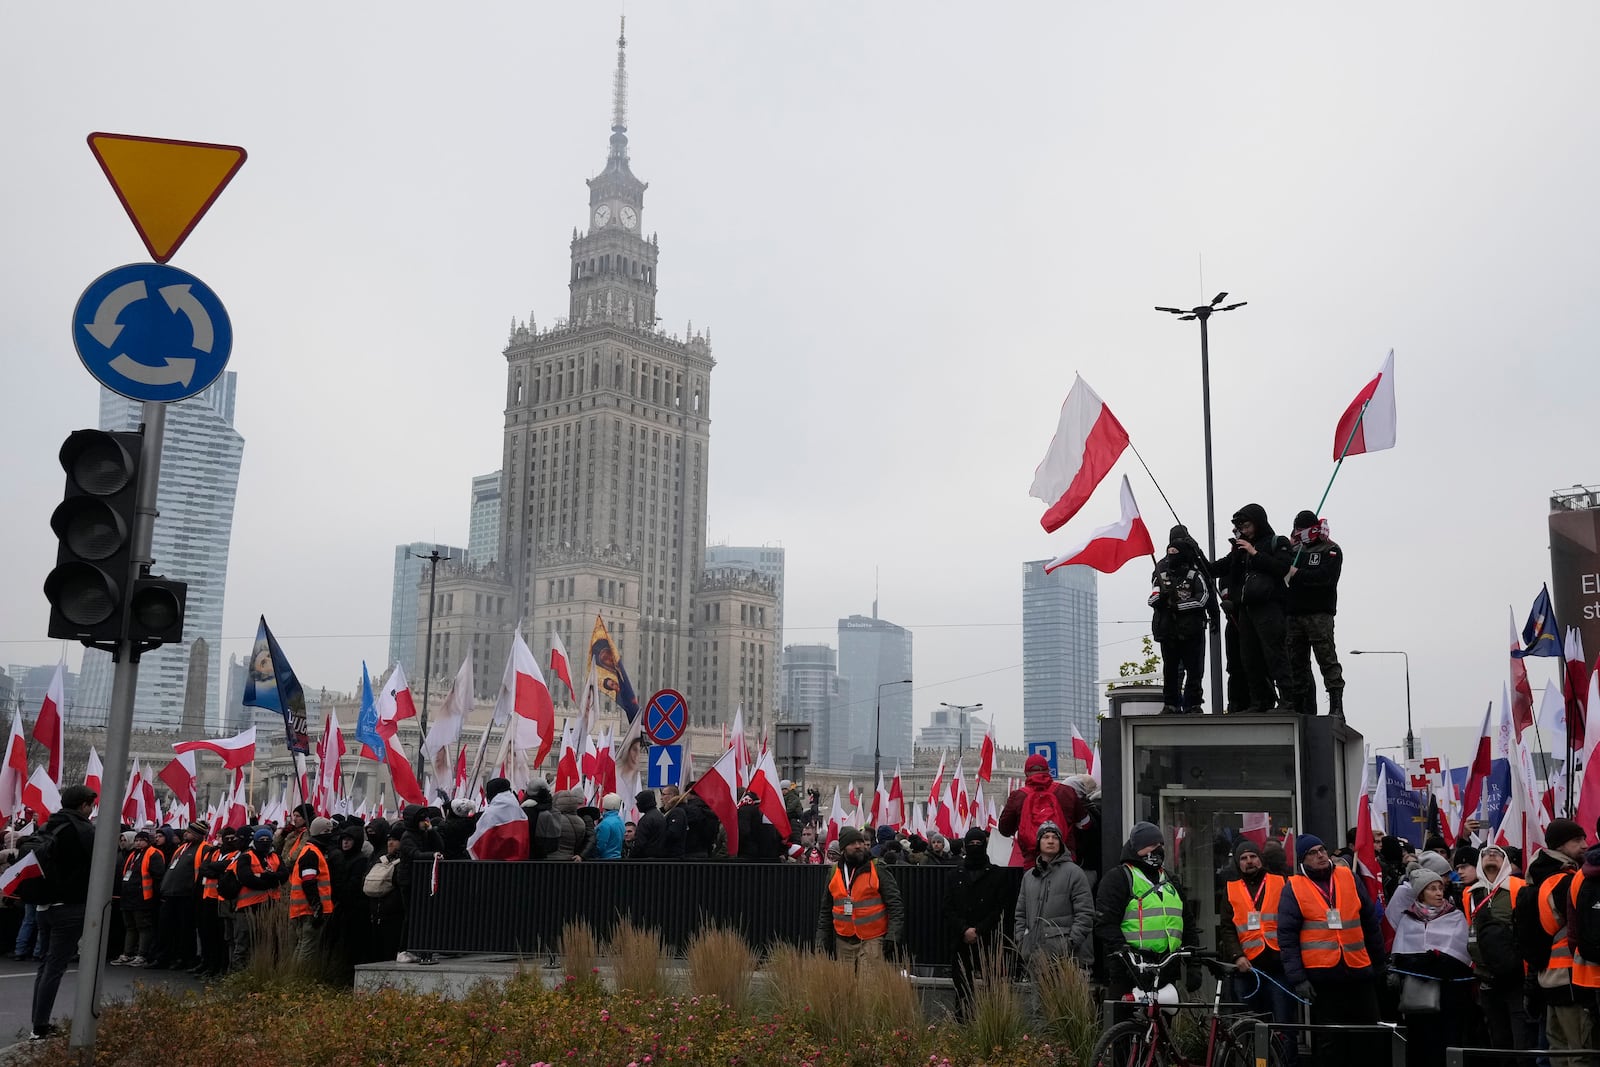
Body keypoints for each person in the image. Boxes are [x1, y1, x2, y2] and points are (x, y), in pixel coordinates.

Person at [1277, 834, 1386, 1067]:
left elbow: (1369, 923)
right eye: (1313, 853)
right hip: (1323, 978)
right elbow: (1287, 938)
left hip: (1358, 971)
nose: (1321, 855)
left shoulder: (1348, 877)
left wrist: (1378, 963)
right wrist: (1298, 979)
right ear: (1302, 860)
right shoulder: (1294, 888)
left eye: (1322, 850)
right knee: (1331, 1043)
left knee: (1369, 1038)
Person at [23, 784, 97, 1042]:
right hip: (71, 906)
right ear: (84, 805)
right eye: (91, 805)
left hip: (44, 905)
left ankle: (38, 1021)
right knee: (55, 967)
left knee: (46, 965)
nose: (92, 810)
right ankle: (40, 1027)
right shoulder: (84, 829)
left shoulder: (48, 824)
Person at [1095, 822, 1195, 999]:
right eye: (1152, 845)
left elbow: (1187, 923)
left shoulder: (1171, 880)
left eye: (1161, 845)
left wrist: (1194, 965)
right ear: (1137, 848)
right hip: (1129, 972)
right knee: (1128, 1025)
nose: (1158, 850)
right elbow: (1105, 924)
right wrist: (1126, 956)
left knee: (1163, 1025)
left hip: (1166, 971)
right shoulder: (1118, 878)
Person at [1388, 863, 1473, 1067]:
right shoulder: (1408, 919)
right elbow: (1400, 955)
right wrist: (1419, 963)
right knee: (1421, 1043)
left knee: (1448, 1042)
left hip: (1449, 995)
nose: (1438, 893)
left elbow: (1461, 954)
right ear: (1420, 893)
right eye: (1432, 888)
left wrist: (1437, 963)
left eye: (1440, 888)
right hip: (1418, 999)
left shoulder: (1455, 916)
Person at [1518, 818, 1590, 1059]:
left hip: (1547, 976)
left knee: (1558, 1050)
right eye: (1577, 840)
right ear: (1560, 846)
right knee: (1579, 1050)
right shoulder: (1563, 881)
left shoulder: (1538, 877)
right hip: (1570, 975)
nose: (1585, 844)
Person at [1217, 839, 1296, 1049]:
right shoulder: (1230, 889)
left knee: (1284, 1028)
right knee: (1247, 1028)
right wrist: (1237, 956)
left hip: (1278, 968)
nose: (1249, 861)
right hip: (1247, 970)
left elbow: (1292, 920)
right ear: (1238, 863)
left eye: (1253, 856)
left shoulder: (1281, 882)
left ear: (1260, 859)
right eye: (1243, 858)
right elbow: (1226, 928)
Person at [943, 827, 1017, 1020]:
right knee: (963, 992)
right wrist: (964, 930)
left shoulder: (998, 874)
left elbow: (1001, 907)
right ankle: (963, 1026)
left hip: (989, 939)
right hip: (961, 941)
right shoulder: (954, 875)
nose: (975, 847)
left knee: (993, 990)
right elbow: (948, 908)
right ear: (966, 846)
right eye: (971, 844)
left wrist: (980, 930)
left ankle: (992, 1025)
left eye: (978, 843)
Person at [1225, 504, 1294, 711]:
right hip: (1247, 609)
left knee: (1275, 654)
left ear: (1257, 523)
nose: (1243, 531)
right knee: (1249, 657)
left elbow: (1282, 568)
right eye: (1239, 527)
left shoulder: (1277, 542)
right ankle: (1259, 701)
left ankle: (1287, 700)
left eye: (1246, 525)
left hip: (1270, 606)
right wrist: (1196, 553)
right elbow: (1220, 569)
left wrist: (1255, 553)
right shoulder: (1241, 549)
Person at [1149, 525, 1220, 714]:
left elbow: (1206, 593)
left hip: (1191, 627)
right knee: (1172, 670)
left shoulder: (1194, 565)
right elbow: (1153, 596)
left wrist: (1213, 614)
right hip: (1169, 628)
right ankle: (1172, 703)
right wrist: (1163, 600)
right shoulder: (1162, 567)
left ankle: (1192, 703)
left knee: (1193, 668)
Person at [1465, 845, 1529, 1050]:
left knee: (1521, 1041)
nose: (1491, 855)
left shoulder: (1519, 887)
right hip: (1486, 977)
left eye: (1497, 854)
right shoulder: (1469, 893)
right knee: (1499, 1041)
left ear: (1506, 863)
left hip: (1515, 976)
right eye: (1485, 853)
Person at [816, 826, 905, 968]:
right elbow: (825, 911)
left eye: (860, 841)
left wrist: (892, 936)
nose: (858, 846)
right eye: (852, 843)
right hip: (843, 940)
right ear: (843, 848)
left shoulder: (877, 868)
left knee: (868, 985)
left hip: (873, 939)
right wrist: (821, 939)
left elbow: (895, 904)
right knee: (845, 986)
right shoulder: (834, 872)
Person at [1284, 511, 1344, 716]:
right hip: (1293, 614)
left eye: (1302, 530)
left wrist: (1297, 574)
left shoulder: (1331, 550)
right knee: (1296, 661)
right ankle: (1299, 705)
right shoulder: (1294, 551)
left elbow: (1325, 578)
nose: (1298, 534)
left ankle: (1336, 705)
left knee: (1326, 658)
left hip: (1319, 613)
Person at [1014, 822, 1094, 974]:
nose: (1050, 841)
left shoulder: (1074, 873)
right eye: (1045, 837)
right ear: (1039, 842)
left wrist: (1068, 944)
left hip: (1069, 963)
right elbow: (1020, 914)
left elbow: (1085, 914)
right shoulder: (1029, 877)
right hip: (1036, 960)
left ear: (1061, 843)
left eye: (1055, 837)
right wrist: (1023, 943)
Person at [998, 753, 1088, 866]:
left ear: (1026, 773)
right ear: (1048, 770)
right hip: (1065, 861)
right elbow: (1085, 825)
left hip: (1033, 863)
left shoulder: (1018, 796)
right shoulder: (1066, 792)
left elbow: (1004, 830)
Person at [153, 820, 207, 970]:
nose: (185, 834)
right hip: (170, 894)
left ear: (197, 835)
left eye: (189, 832)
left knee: (184, 930)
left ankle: (184, 958)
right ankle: (163, 957)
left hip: (187, 895)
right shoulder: (181, 848)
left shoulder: (204, 849)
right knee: (165, 928)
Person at [395, 805, 444, 963]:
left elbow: (440, 846)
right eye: (422, 820)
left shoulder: (423, 834)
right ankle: (403, 949)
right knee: (410, 915)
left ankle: (415, 948)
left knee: (418, 915)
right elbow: (415, 854)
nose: (425, 822)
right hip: (408, 880)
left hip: (419, 880)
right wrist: (432, 855)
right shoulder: (407, 837)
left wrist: (432, 831)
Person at [231, 827, 284, 971]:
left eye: (267, 840)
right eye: (261, 840)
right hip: (247, 907)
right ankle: (239, 975)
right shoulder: (246, 857)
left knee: (269, 941)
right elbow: (246, 878)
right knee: (244, 942)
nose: (265, 843)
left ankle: (265, 971)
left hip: (271, 906)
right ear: (255, 841)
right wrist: (269, 881)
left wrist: (264, 876)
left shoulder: (276, 857)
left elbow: (284, 875)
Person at [112, 828, 164, 967]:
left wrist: (154, 896)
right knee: (130, 926)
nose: (138, 843)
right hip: (128, 897)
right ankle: (127, 953)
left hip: (143, 897)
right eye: (136, 840)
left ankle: (142, 954)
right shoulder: (132, 855)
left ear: (147, 842)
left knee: (143, 926)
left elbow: (157, 876)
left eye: (141, 840)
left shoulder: (153, 854)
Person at [290, 817, 335, 964]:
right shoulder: (312, 853)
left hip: (303, 908)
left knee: (302, 944)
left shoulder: (310, 851)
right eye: (327, 831)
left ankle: (294, 978)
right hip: (309, 910)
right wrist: (316, 906)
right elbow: (308, 881)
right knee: (308, 947)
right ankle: (300, 980)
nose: (330, 835)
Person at [549, 789, 594, 862]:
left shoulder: (553, 819)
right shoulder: (580, 822)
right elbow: (581, 842)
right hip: (571, 859)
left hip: (552, 860)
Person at [632, 789, 666, 859]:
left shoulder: (646, 820)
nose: (637, 804)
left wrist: (632, 857)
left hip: (646, 860)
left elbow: (640, 843)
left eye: (638, 801)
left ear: (644, 802)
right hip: (659, 858)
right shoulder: (660, 816)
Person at [593, 793, 624, 859]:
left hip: (605, 860)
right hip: (618, 858)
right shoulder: (621, 821)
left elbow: (600, 845)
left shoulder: (605, 824)